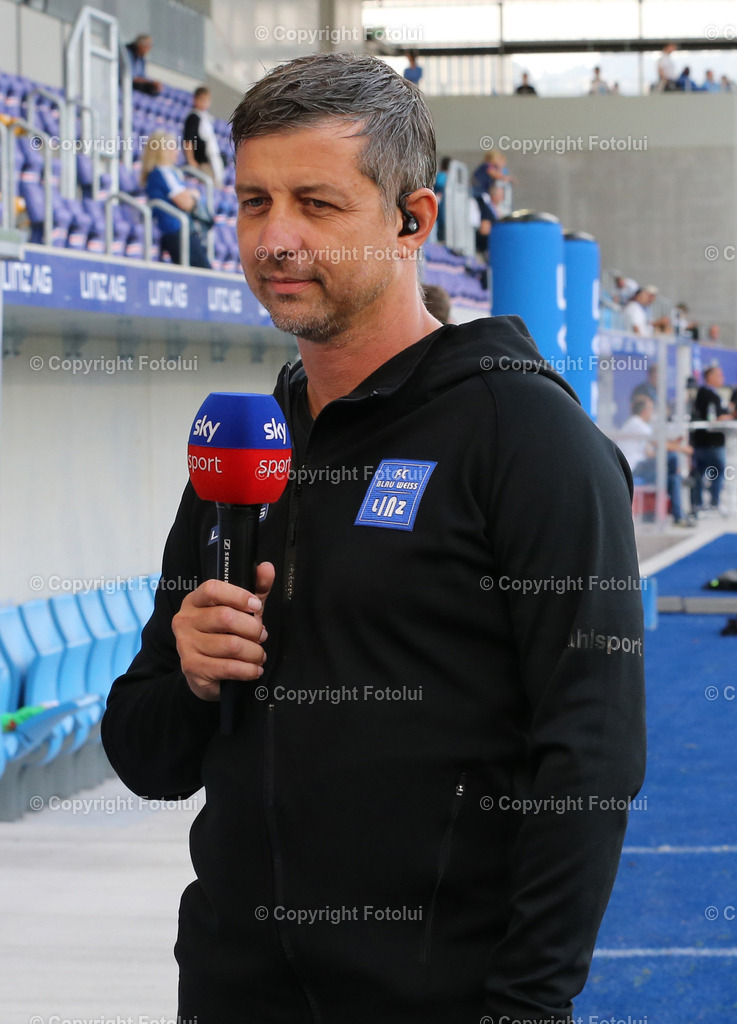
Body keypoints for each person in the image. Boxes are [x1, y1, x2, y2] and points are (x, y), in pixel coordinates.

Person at [102, 51, 646, 1024]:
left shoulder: (524, 438)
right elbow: (148, 757)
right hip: (232, 995)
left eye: (315, 204)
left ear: (412, 218)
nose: (274, 238)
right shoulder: (245, 444)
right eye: (253, 202)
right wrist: (186, 674)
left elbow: (590, 753)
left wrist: (525, 1008)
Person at [618, 395, 693, 527]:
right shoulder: (636, 423)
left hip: (642, 467)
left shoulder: (638, 425)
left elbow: (651, 452)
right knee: (672, 457)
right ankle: (680, 474)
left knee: (673, 479)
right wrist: (680, 448)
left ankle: (678, 517)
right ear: (644, 411)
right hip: (634, 469)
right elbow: (659, 444)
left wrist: (673, 445)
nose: (653, 412)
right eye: (651, 409)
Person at [140, 130, 211, 269]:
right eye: (172, 147)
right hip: (177, 231)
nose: (177, 151)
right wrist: (194, 195)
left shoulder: (163, 173)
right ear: (161, 150)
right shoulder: (162, 171)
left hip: (177, 231)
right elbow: (186, 203)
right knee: (204, 275)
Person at [690, 365, 732, 515]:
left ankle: (701, 503)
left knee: (702, 473)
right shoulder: (707, 394)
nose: (722, 378)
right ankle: (708, 503)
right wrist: (729, 416)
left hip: (708, 442)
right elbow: (714, 417)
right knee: (712, 471)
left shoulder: (711, 394)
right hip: (709, 443)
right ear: (710, 377)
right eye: (719, 375)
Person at [183, 86, 225, 187]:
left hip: (209, 162)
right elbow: (188, 140)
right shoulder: (194, 117)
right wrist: (191, 161)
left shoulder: (205, 117)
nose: (204, 103)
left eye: (207, 100)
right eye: (202, 100)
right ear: (195, 99)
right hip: (201, 164)